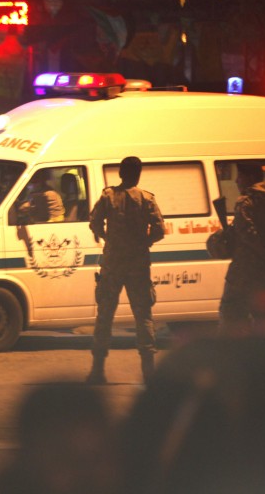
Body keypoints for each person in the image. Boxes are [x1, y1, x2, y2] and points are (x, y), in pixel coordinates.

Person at [86, 156, 165, 385]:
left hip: (113, 262)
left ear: (120, 173)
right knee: (143, 316)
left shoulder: (108, 196)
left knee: (105, 315)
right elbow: (160, 229)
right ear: (138, 174)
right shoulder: (146, 198)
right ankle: (148, 374)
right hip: (138, 264)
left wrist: (108, 238)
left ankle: (97, 370)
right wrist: (144, 242)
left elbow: (94, 222)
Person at [218, 162, 265, 336]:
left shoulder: (246, 201)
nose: (236, 181)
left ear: (250, 178)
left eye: (240, 176)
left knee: (232, 316)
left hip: (245, 271)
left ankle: (236, 359)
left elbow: (248, 235)